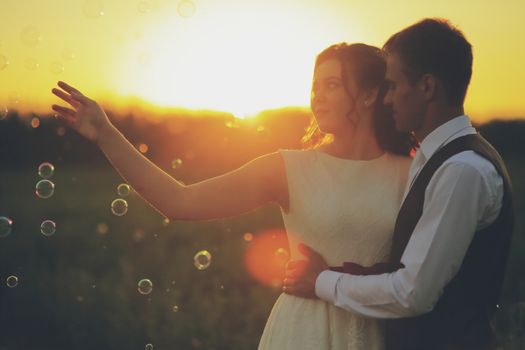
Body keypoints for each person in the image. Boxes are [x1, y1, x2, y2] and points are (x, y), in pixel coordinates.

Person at [51, 43, 414, 349]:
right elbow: (180, 201)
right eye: (315, 85)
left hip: (384, 330)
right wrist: (106, 135)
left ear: (370, 94)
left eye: (332, 84)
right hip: (306, 331)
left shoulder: (414, 171)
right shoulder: (288, 168)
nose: (317, 96)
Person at [283, 18, 514, 350]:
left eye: (392, 86)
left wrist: (321, 281)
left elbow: (412, 293)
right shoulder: (434, 160)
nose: (386, 99)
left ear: (427, 87)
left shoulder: (461, 171)